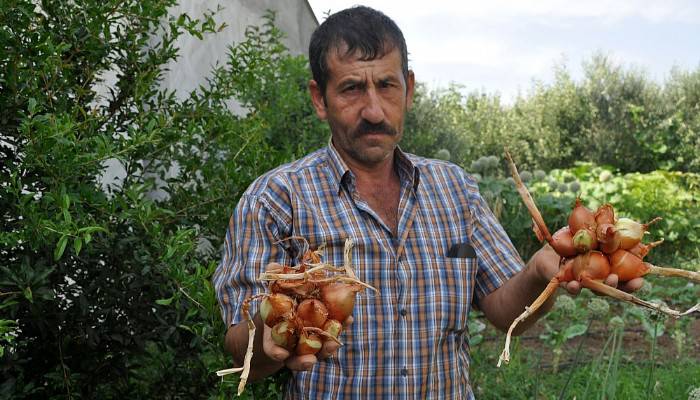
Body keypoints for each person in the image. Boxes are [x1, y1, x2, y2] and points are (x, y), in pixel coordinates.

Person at [213, 6, 642, 398]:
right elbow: (239, 343)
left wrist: (540, 272)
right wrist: (269, 344)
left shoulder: (456, 190)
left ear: (410, 89)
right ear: (318, 99)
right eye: (351, 89)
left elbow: (503, 310)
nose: (375, 110)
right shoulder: (276, 199)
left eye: (387, 85)